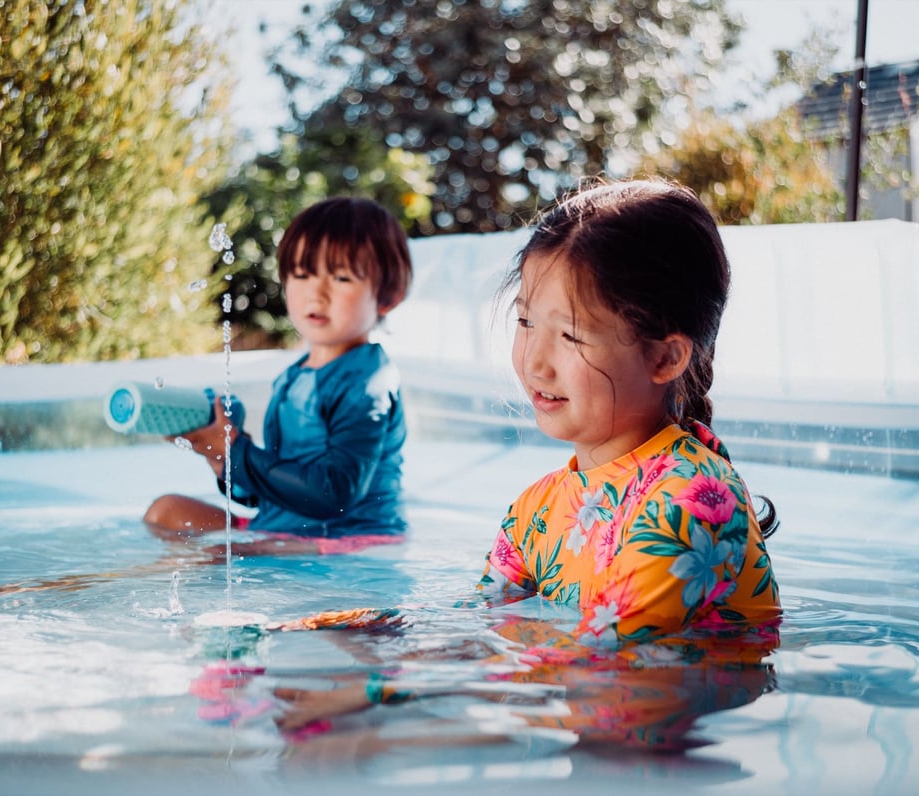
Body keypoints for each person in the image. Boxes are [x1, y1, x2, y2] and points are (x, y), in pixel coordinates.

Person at [267, 178, 782, 745]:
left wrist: (375, 700)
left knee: (597, 697)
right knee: (358, 642)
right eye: (526, 322)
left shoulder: (691, 502)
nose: (534, 362)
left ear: (665, 356)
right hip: (583, 703)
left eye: (571, 335)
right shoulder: (538, 507)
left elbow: (601, 660)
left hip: (661, 738)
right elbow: (474, 622)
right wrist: (312, 625)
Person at [144, 196, 413, 556]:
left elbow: (335, 494)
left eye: (341, 277)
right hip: (282, 530)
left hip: (347, 541)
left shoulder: (367, 382)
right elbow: (266, 490)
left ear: (387, 297)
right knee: (167, 511)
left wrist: (237, 451)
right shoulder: (292, 376)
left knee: (219, 554)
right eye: (302, 274)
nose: (316, 293)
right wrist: (223, 460)